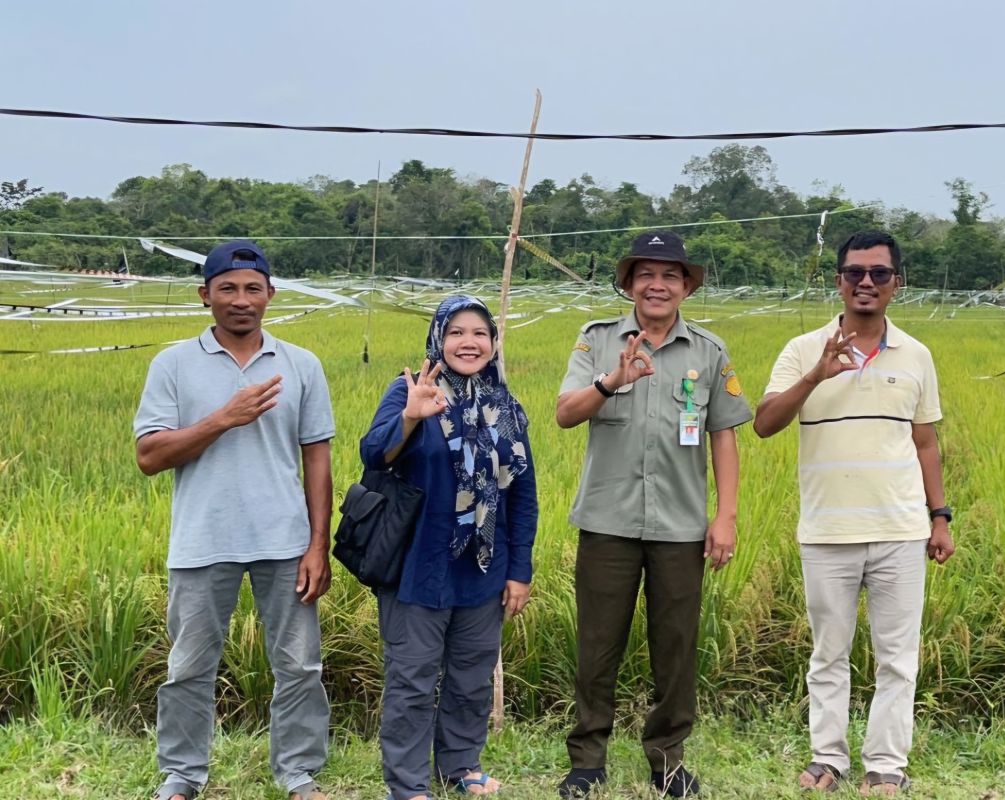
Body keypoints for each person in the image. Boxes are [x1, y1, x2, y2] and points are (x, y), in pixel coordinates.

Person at [753, 231, 955, 796]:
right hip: (828, 531)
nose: (866, 282)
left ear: (897, 283)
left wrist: (940, 517)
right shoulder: (802, 349)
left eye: (879, 273)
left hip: (901, 529)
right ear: (838, 281)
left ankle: (886, 765)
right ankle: (827, 759)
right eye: (855, 273)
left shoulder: (916, 355)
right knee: (828, 654)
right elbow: (765, 423)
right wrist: (818, 373)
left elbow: (926, 443)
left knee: (898, 658)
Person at [134, 240, 334, 800]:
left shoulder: (302, 364)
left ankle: (298, 775)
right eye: (227, 288)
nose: (240, 299)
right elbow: (149, 457)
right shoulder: (172, 364)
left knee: (299, 666)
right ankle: (182, 775)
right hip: (202, 541)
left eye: (252, 288)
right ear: (206, 296)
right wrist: (223, 418)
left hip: (285, 541)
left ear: (270, 294)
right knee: (189, 667)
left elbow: (317, 459)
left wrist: (318, 545)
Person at [554, 231, 752, 798]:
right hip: (608, 523)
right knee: (597, 648)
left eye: (671, 275)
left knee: (676, 650)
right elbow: (566, 413)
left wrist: (726, 517)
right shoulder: (595, 341)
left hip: (681, 528)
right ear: (628, 284)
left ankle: (667, 759)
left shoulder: (709, 353)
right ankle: (587, 760)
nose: (658, 285)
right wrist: (613, 380)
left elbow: (724, 438)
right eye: (646, 274)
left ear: (686, 286)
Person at [360, 295, 538, 800]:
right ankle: (409, 782)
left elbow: (522, 495)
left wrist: (519, 569)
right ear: (439, 337)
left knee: (471, 676)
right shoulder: (409, 390)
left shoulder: (506, 406)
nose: (469, 342)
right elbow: (374, 454)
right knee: (412, 680)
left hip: (482, 565)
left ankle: (459, 766)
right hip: (418, 563)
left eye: (480, 333)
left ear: (493, 343)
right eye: (456, 331)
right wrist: (412, 418)